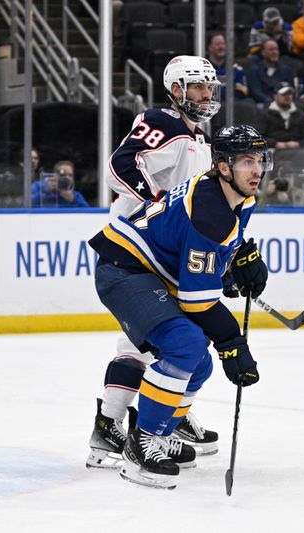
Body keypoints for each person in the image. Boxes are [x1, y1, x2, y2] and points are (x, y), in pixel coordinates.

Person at [88, 125, 268, 489]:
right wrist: (232, 342)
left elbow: (211, 253)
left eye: (261, 160)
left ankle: (162, 431)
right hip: (124, 270)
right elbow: (197, 301)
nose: (257, 170)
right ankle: (142, 444)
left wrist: (234, 265)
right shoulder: (209, 213)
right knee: (185, 343)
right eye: (247, 161)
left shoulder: (237, 199)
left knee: (197, 360)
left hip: (151, 270)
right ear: (222, 166)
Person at [87, 55, 220, 472]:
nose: (207, 93)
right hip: (136, 247)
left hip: (161, 251)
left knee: (147, 342)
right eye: (198, 86)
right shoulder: (165, 121)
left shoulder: (197, 135)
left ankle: (132, 424)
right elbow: (120, 167)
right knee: (163, 340)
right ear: (177, 89)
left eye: (209, 86)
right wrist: (157, 205)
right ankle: (144, 423)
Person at [259, 82, 304, 151]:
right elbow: (257, 139)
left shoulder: (301, 114)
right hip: (272, 150)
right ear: (275, 96)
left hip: (298, 150)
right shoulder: (265, 114)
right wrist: (275, 144)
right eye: (283, 94)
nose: (287, 97)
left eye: (289, 94)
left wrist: (298, 143)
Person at [247, 39, 294, 108]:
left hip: (283, 103)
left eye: (276, 49)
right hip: (263, 103)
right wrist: (272, 102)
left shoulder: (286, 70)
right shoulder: (255, 70)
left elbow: (289, 89)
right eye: (271, 50)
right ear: (263, 52)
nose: (274, 52)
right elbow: (256, 92)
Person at [207, 33, 249, 101]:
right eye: (217, 44)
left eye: (223, 44)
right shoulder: (203, 70)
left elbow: (242, 92)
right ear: (210, 47)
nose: (221, 47)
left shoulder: (236, 69)